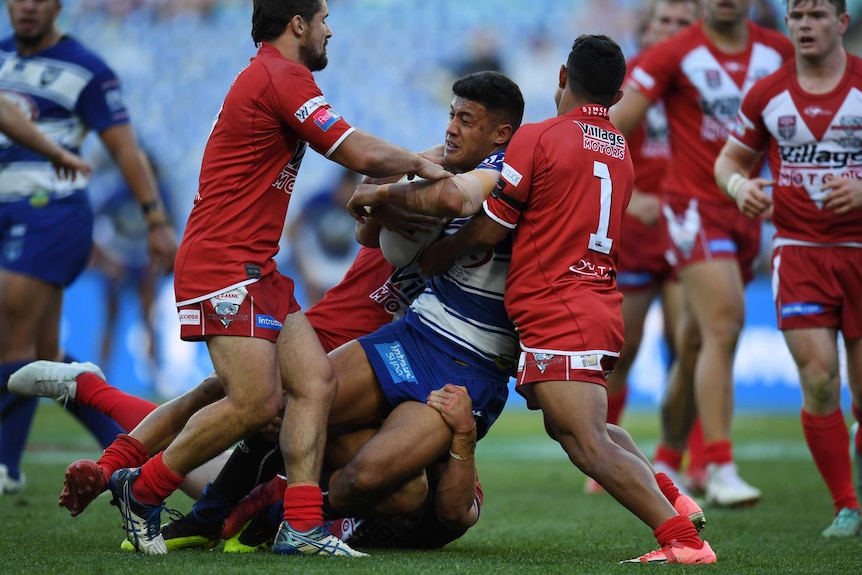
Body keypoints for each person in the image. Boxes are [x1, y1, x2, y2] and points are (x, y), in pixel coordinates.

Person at [97, 0, 450, 556]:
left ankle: (301, 526)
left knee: (315, 384)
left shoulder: (272, 75)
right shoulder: (282, 75)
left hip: (256, 265)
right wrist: (429, 167)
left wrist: (422, 162)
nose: (331, 30)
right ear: (298, 24)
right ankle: (141, 490)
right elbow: (354, 150)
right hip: (223, 262)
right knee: (253, 403)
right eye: (325, 19)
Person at [419, 34, 716, 565]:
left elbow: (489, 230)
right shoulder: (622, 150)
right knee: (576, 427)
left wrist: (445, 252)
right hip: (593, 302)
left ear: (561, 77)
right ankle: (674, 498)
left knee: (585, 442)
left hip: (561, 307)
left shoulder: (539, 137)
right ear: (618, 97)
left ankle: (682, 541)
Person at [609, 0, 794, 508]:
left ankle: (670, 455)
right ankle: (715, 463)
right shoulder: (665, 60)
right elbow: (607, 128)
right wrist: (625, 196)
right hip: (681, 213)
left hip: (743, 208)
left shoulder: (778, 52)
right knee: (716, 326)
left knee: (691, 340)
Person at [0, 0, 177, 496]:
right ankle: (131, 448)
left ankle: (5, 466)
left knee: (8, 334)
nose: (28, 6)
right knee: (45, 354)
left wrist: (155, 218)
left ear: (60, 5)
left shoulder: (88, 70)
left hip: (48, 211)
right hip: (7, 210)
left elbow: (124, 146)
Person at [714, 0, 862, 536]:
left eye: (818, 14)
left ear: (841, 23)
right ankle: (847, 506)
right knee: (819, 379)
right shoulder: (767, 94)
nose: (805, 24)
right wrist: (740, 187)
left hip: (859, 252)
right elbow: (728, 161)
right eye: (797, 15)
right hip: (798, 252)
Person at [588, 0, 701, 496]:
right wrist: (632, 204)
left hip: (689, 227)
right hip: (632, 231)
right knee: (623, 349)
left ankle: (681, 456)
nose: (673, 31)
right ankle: (606, 456)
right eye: (665, 22)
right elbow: (596, 151)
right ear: (646, 29)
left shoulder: (705, 84)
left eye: (682, 23)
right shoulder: (624, 87)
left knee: (688, 340)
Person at [285, 168, 362, 306]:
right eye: (344, 189)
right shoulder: (321, 199)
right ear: (340, 185)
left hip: (342, 260)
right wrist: (302, 261)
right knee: (315, 291)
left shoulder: (359, 205)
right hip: (317, 256)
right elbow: (292, 228)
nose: (346, 195)